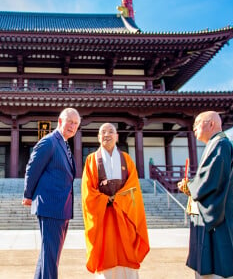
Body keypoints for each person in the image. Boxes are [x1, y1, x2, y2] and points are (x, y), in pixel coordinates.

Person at [178, 111, 233, 279]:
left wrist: (189, 185)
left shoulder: (221, 144)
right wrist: (192, 186)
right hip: (215, 210)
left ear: (211, 124)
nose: (193, 127)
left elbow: (211, 179)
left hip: (219, 215)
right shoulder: (215, 144)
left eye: (197, 123)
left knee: (221, 261)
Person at [81, 123, 150, 278]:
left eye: (111, 131)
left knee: (127, 250)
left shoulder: (126, 159)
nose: (107, 135)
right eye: (103, 132)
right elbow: (88, 191)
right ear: (98, 137)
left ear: (117, 136)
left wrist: (119, 199)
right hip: (103, 216)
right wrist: (105, 200)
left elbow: (133, 185)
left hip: (124, 214)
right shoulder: (91, 160)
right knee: (106, 251)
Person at [22, 107, 81, 279]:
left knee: (49, 254)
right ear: (60, 121)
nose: (72, 126)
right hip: (50, 206)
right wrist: (28, 195)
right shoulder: (49, 141)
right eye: (70, 122)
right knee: (51, 256)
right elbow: (32, 168)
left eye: (76, 123)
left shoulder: (63, 143)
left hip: (61, 207)